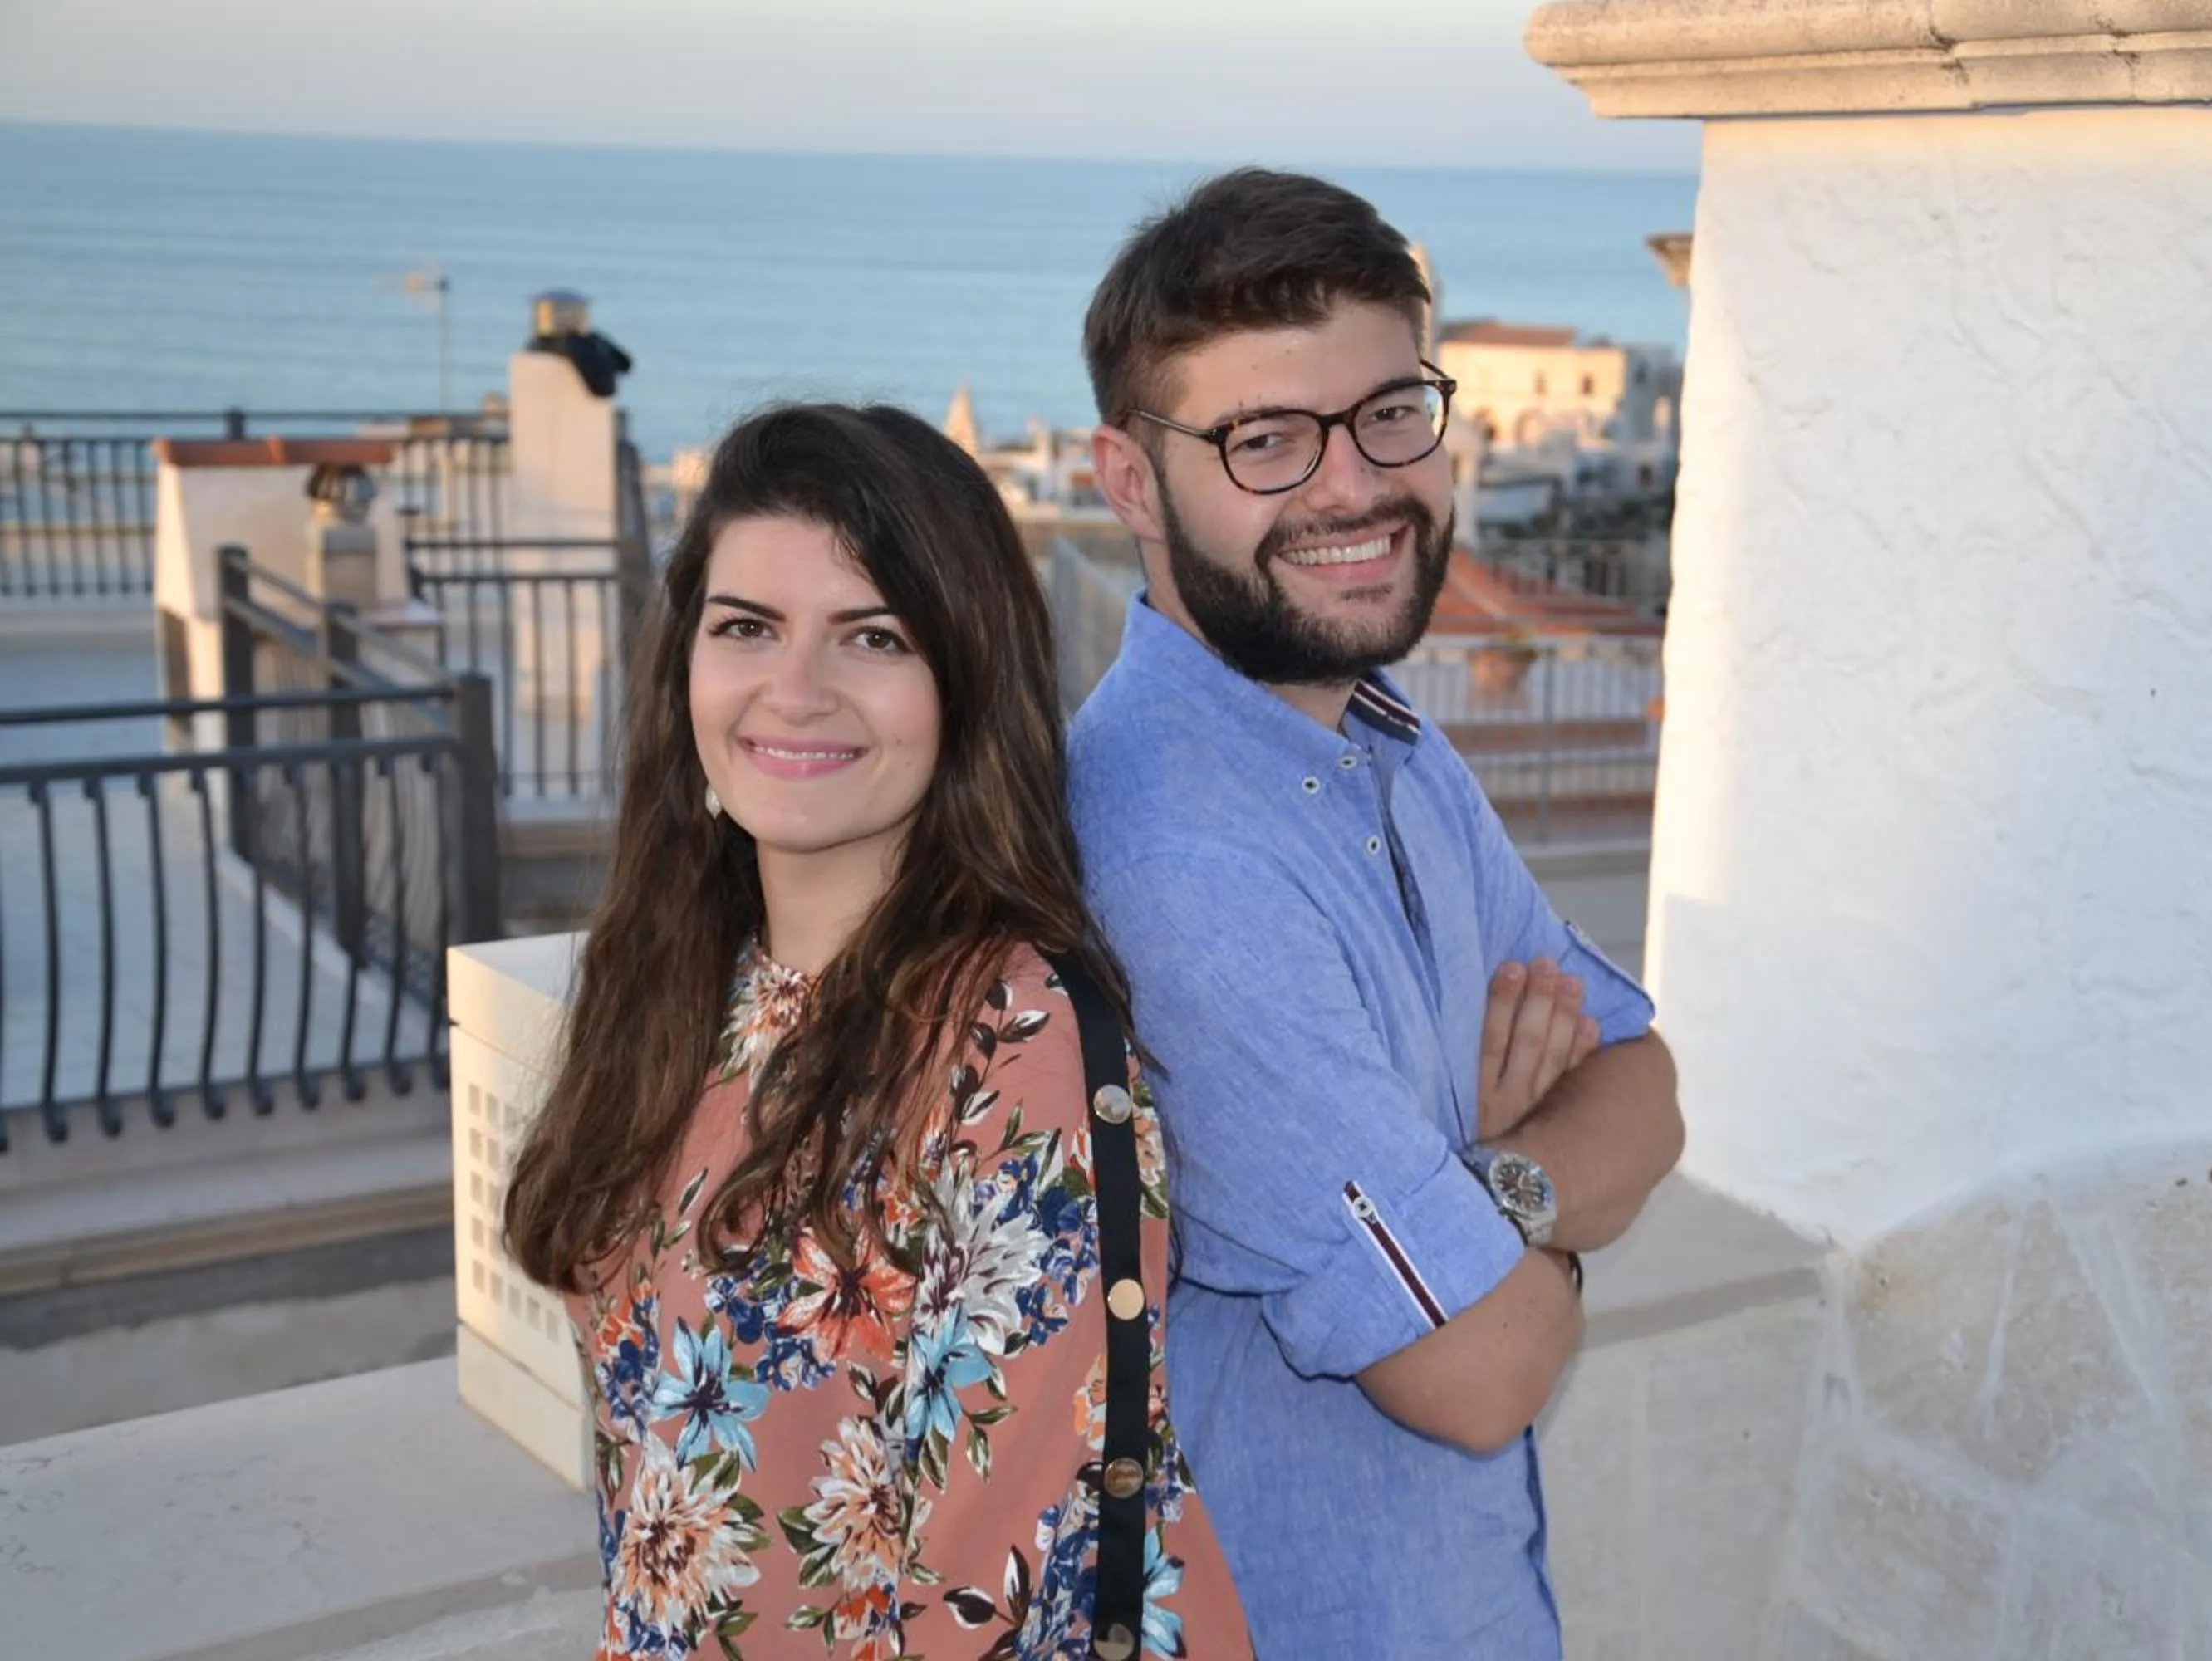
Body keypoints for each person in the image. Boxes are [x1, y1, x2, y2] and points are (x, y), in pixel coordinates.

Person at [504, 403, 1250, 1661]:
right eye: (748, 628)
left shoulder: (1011, 1040)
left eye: (873, 637)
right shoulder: (684, 981)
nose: (794, 692)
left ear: (964, 686)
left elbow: (997, 1600)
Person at [1068, 169, 1687, 1658]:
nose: (1353, 486)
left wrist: (1485, 1193)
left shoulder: (1387, 742)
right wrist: (1527, 1184)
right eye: (1264, 440)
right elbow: (1476, 1373)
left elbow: (1650, 1092)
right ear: (1132, 481)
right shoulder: (1182, 863)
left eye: (1390, 412)